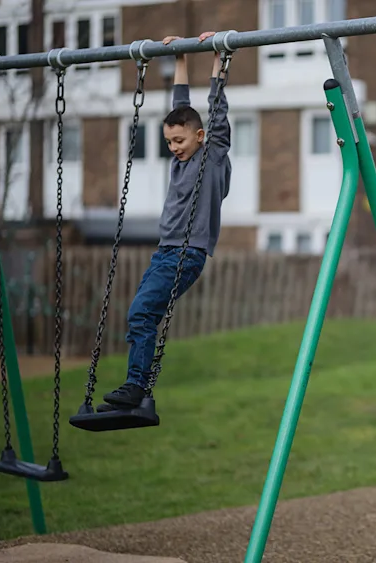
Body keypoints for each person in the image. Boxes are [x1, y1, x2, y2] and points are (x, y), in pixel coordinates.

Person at [101, 32, 232, 409]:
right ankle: (136, 388)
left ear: (201, 136)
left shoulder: (212, 158)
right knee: (142, 314)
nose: (174, 148)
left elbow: (216, 110)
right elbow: (181, 105)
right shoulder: (180, 161)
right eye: (170, 142)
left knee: (141, 312)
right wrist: (179, 55)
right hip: (165, 252)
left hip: (186, 253)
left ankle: (136, 386)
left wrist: (218, 56)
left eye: (180, 141)